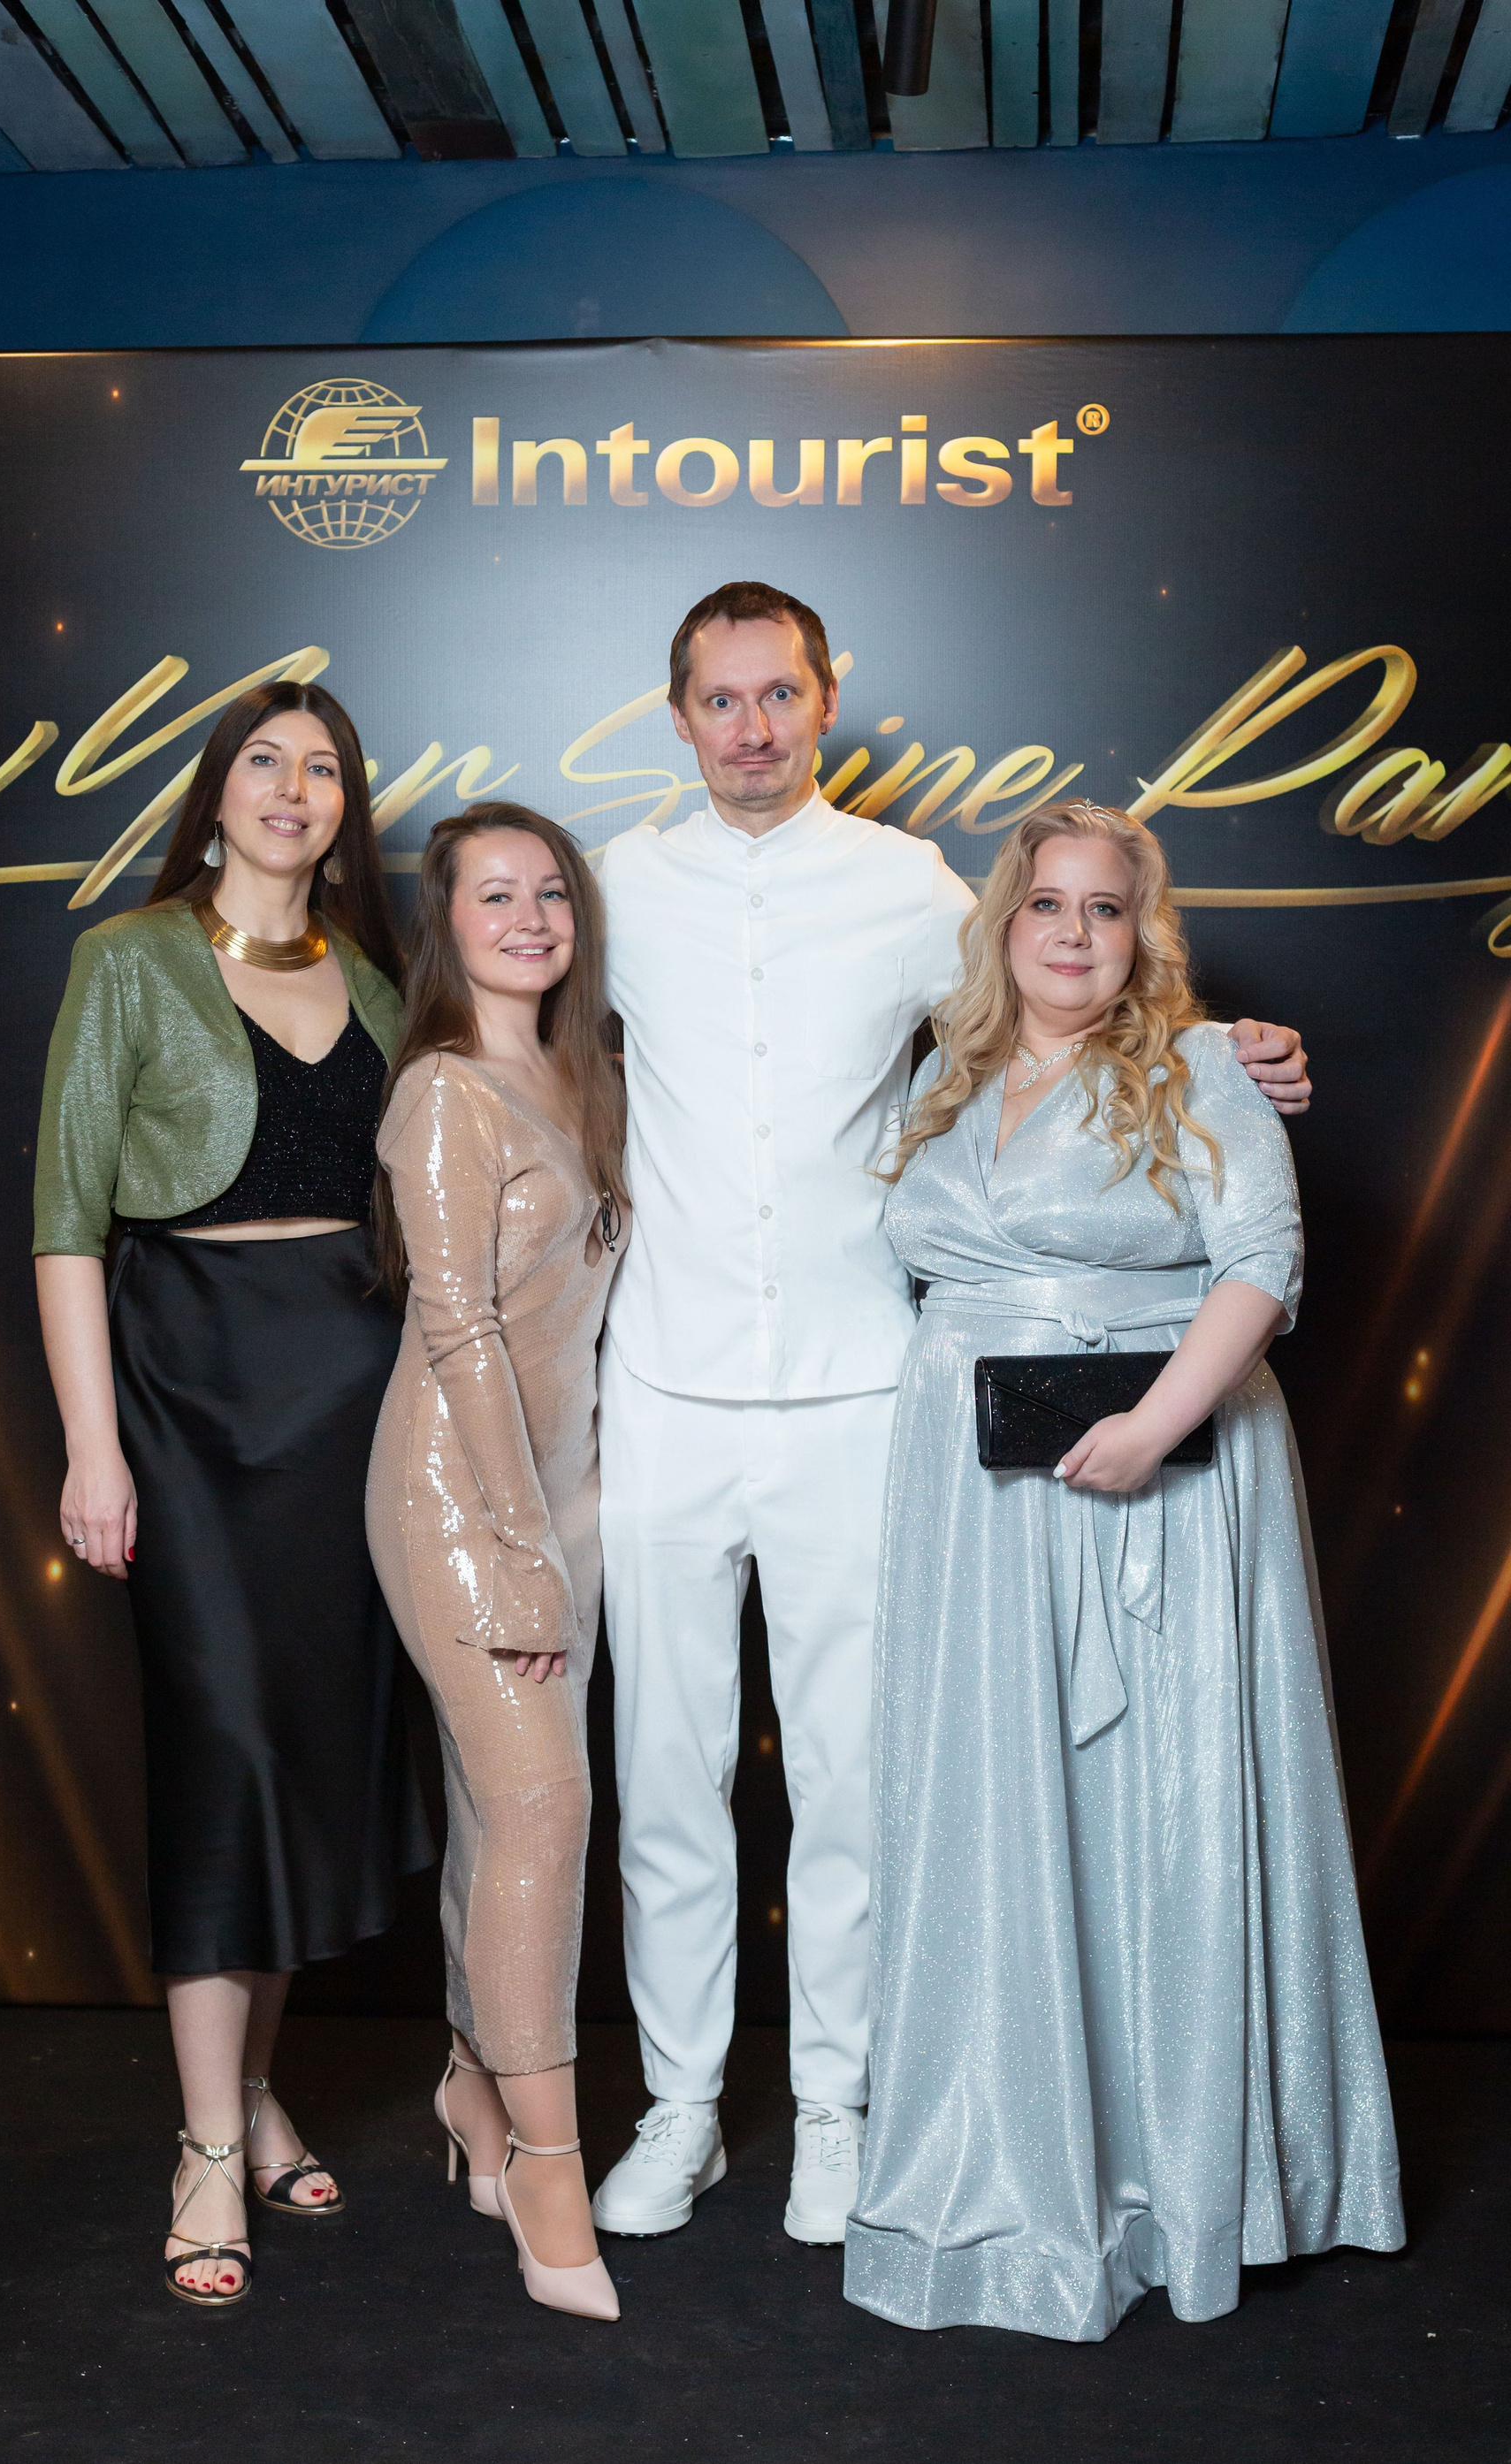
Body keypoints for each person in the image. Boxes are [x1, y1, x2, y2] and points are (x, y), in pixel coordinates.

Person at [590, 582, 1313, 2249]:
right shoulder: (616, 887)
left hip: (865, 1393)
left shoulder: (912, 885)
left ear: (824, 702)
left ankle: (838, 2110)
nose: (753, 728)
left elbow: (1068, 997)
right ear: (678, 715)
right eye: (721, 699)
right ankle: (681, 2107)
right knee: (666, 1775)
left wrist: (1228, 1047)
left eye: (780, 694)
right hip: (665, 1385)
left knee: (854, 1780)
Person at [843, 801, 1403, 2337]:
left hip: (1155, 1491)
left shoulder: (1203, 1065)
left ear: (1142, 931)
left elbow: (1263, 1263)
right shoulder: (945, 1075)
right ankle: (1015, 2169)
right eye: (1048, 905)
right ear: (1004, 924)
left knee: (1160, 1817)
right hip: (976, 1501)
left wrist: (1156, 1427)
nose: (1074, 933)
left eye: (1106, 908)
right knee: (1003, 1818)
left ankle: (1180, 2186)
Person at [34, 680, 424, 2308]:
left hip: (356, 1408)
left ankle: (256, 2093)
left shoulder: (385, 982)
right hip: (186, 1397)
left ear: (345, 807)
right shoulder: (128, 958)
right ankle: (205, 2146)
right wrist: (94, 1445)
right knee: (225, 1756)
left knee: (309, 1763)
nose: (292, 787)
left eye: (322, 767)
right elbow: (68, 1222)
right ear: (216, 793)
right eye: (264, 760)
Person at [368, 804, 630, 2323]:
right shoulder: (445, 1093)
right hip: (460, 1502)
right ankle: (547, 2164)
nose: (530, 918)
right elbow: (459, 1330)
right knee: (544, 1804)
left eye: (552, 894)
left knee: (495, 1808)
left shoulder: (587, 1077)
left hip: (564, 1499)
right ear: (448, 926)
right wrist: (524, 1550)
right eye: (495, 896)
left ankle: (472, 2084)